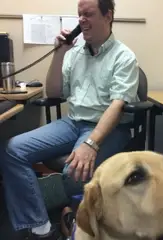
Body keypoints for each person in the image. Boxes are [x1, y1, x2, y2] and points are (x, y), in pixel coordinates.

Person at [0, 0, 140, 239]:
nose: (82, 20)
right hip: (73, 123)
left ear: (108, 16)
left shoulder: (124, 57)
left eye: (89, 14)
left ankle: (76, 216)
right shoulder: (74, 54)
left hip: (107, 127)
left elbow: (117, 106)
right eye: (79, 15)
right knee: (12, 149)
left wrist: (91, 143)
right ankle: (39, 224)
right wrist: (58, 53)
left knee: (73, 170)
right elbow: (54, 93)